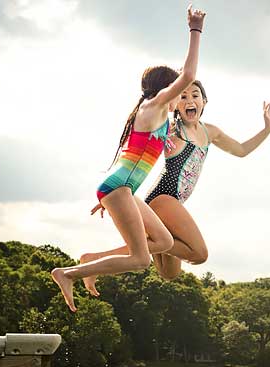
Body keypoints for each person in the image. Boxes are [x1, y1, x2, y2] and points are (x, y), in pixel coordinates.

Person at [51, 6, 206, 312]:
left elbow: (127, 158)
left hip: (121, 190)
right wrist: (195, 30)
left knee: (162, 240)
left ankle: (91, 262)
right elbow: (189, 74)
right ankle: (68, 274)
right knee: (140, 259)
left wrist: (108, 197)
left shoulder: (157, 117)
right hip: (119, 189)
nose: (182, 94)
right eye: (178, 90)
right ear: (166, 89)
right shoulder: (154, 106)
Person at [81, 80, 270, 295]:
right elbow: (138, 154)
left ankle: (105, 255)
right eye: (183, 96)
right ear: (175, 104)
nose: (189, 100)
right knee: (199, 253)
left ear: (204, 101)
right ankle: (107, 256)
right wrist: (115, 193)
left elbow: (241, 149)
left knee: (168, 272)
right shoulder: (171, 131)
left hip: (172, 204)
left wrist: (267, 129)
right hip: (162, 199)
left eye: (195, 95)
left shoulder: (211, 132)